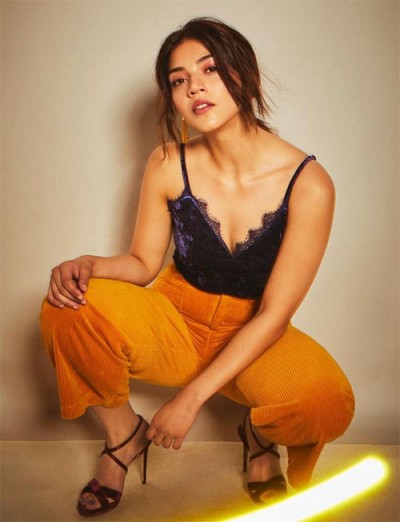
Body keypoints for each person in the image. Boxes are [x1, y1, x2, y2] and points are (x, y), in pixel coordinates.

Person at [40, 17, 355, 518]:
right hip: (175, 321)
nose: (194, 87)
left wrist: (191, 400)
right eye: (178, 79)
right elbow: (143, 264)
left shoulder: (309, 183)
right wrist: (86, 264)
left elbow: (274, 315)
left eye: (210, 69)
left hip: (254, 333)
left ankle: (257, 435)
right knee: (68, 304)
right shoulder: (168, 162)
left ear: (244, 74)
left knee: (327, 404)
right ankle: (123, 437)